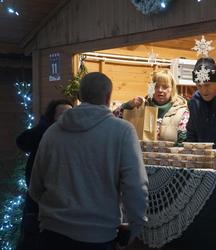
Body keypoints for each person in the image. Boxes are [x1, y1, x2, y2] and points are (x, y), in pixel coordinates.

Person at [29, 72, 148, 250]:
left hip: (52, 234)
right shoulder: (122, 131)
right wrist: (135, 227)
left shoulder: (53, 132)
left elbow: (35, 186)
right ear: (108, 97)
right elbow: (135, 186)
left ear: (79, 96)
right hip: (98, 236)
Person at [16, 99, 73, 250]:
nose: (66, 118)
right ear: (52, 117)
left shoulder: (73, 136)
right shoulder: (44, 132)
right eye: (62, 114)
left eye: (69, 113)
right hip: (37, 199)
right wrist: (46, 128)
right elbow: (21, 141)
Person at [114, 70, 189, 145]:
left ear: (172, 89)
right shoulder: (139, 106)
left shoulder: (182, 112)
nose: (160, 90)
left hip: (169, 156)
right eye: (156, 86)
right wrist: (128, 105)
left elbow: (183, 142)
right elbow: (113, 119)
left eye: (165, 87)